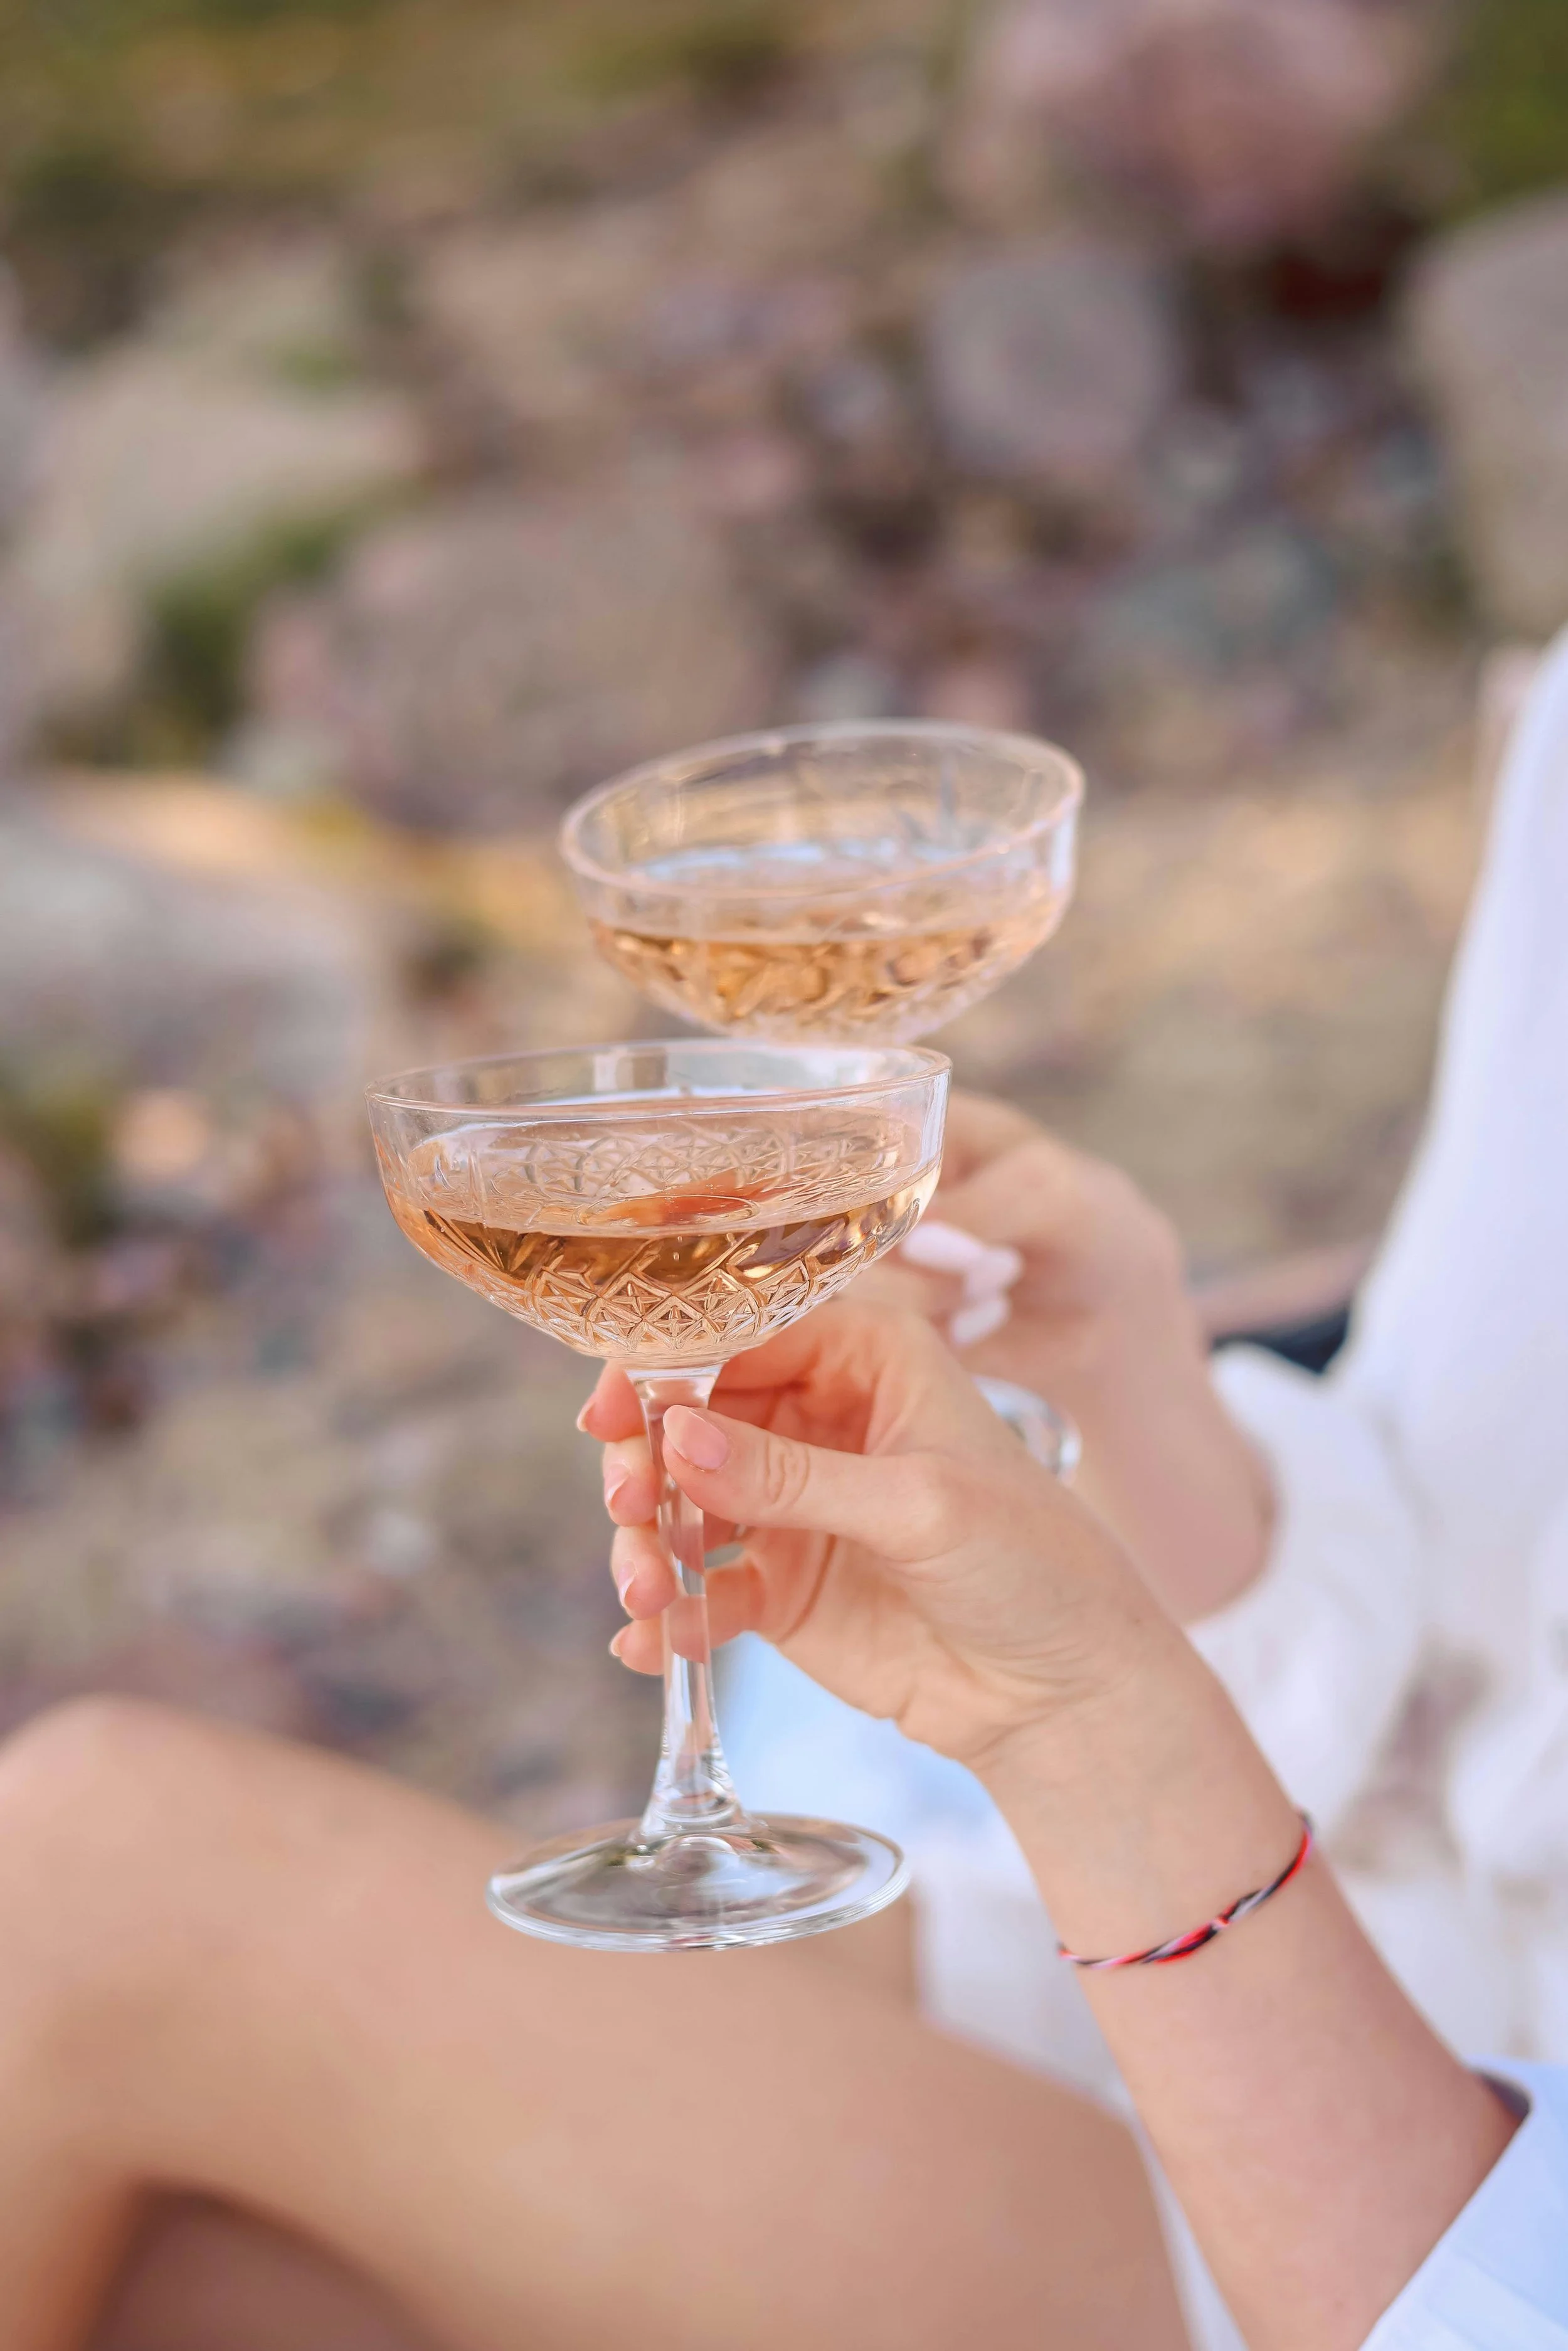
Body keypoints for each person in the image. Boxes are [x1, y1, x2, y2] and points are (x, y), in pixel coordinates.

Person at [8, 1295, 1562, 2351]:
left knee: (102, 1867)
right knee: (163, 2259)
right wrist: (1131, 1356)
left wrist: (1087, 1721)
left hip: (1419, 2210)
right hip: (1347, 1916)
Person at [722, 615, 1568, 2115]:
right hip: (1259, 1906)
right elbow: (1431, 1566)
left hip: (1431, 2158)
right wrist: (1126, 1360)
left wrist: (1090, 1719)